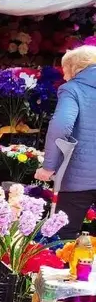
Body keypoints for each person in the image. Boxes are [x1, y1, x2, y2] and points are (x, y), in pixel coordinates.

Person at [36, 45, 96, 239]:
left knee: (63, 235)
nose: (64, 76)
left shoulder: (72, 89)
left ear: (74, 68)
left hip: (79, 177)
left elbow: (61, 126)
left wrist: (48, 167)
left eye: (65, 70)